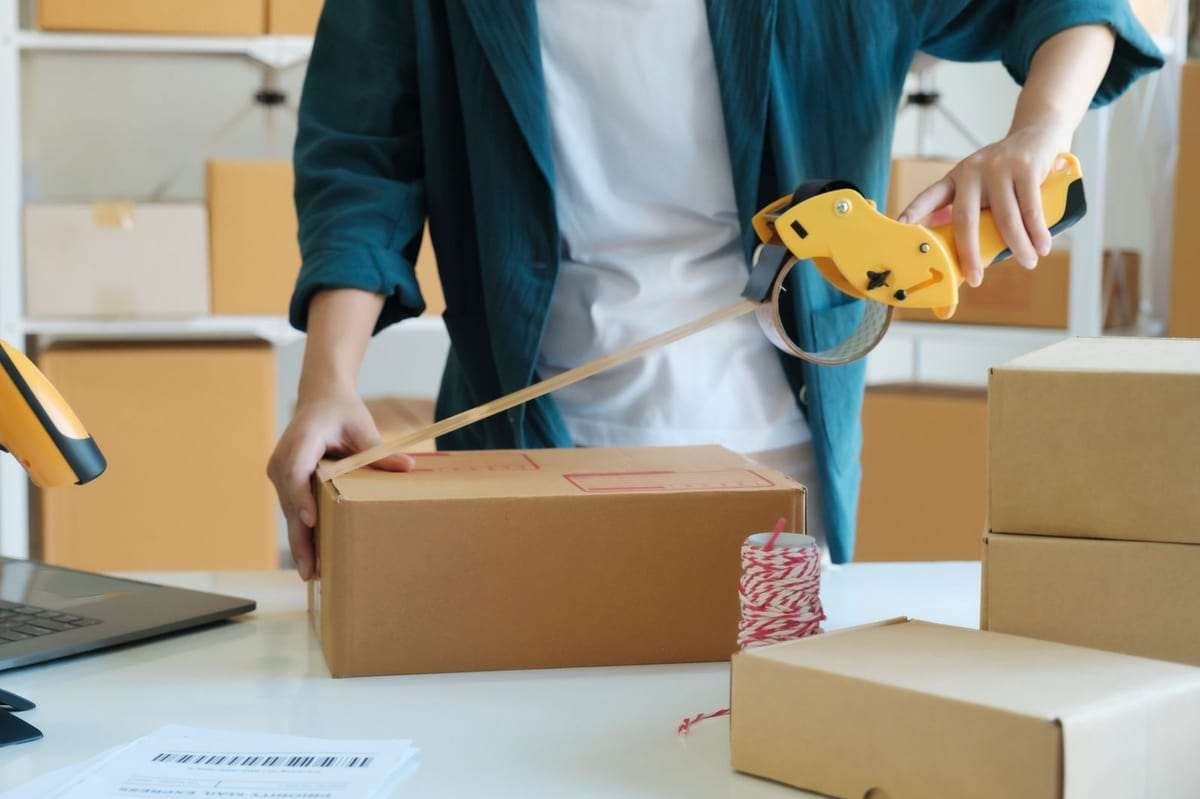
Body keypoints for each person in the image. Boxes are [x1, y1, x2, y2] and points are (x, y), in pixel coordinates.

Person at [268, 1, 1163, 581]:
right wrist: (329, 379)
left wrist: (1040, 128)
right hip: (515, 462)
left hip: (774, 475)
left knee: (756, 751)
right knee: (519, 750)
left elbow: (1070, 8)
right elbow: (361, 154)